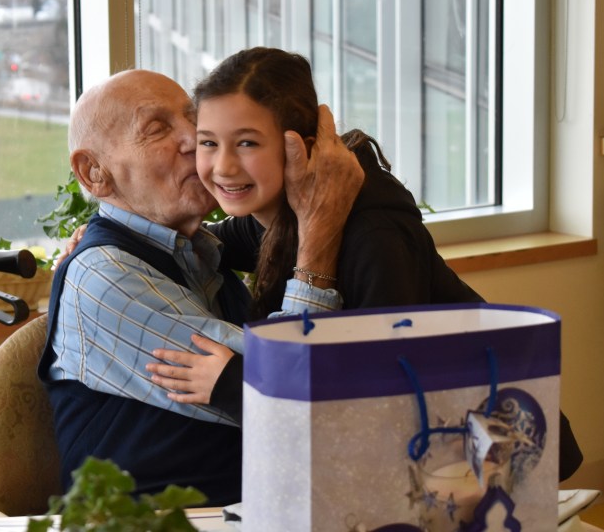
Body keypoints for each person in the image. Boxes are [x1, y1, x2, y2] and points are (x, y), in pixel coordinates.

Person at [145, 46, 583, 481]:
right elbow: (208, 243)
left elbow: (379, 394)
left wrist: (231, 383)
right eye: (208, 143)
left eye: (247, 143)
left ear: (300, 146)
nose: (223, 166)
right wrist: (112, 227)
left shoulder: (374, 233)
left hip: (488, 455)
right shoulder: (274, 214)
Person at [38, 67, 364, 506]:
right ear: (94, 172)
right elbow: (297, 387)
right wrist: (320, 228)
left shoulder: (195, 249)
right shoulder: (103, 277)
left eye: (193, 119)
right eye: (157, 129)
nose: (193, 140)